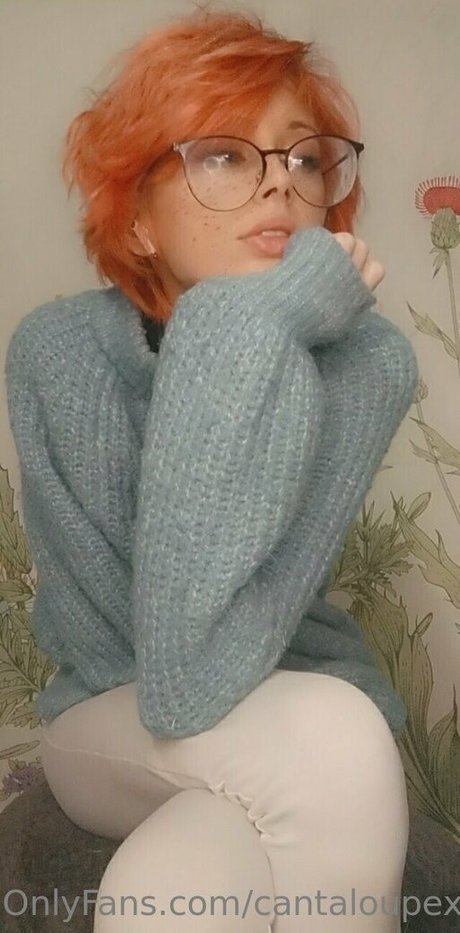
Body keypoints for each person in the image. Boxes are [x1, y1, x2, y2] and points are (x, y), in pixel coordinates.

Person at [5, 5, 419, 931]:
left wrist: (265, 324)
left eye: (304, 158)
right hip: (113, 711)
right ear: (137, 218)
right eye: (226, 155)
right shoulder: (61, 352)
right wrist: (245, 319)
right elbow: (180, 673)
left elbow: (252, 627)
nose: (279, 183)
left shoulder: (365, 363)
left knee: (181, 878)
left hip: (280, 715)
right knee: (335, 736)